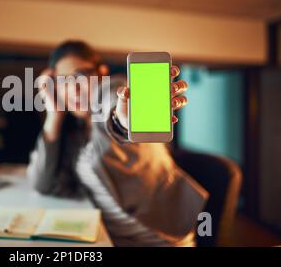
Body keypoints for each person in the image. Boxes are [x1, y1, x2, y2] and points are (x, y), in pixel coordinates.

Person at [27, 40, 208, 246]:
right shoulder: (76, 132)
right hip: (111, 239)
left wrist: (123, 120)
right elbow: (41, 184)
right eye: (62, 81)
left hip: (157, 240)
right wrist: (54, 114)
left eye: (81, 76)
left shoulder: (114, 90)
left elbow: (112, 102)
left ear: (101, 73)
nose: (73, 89)